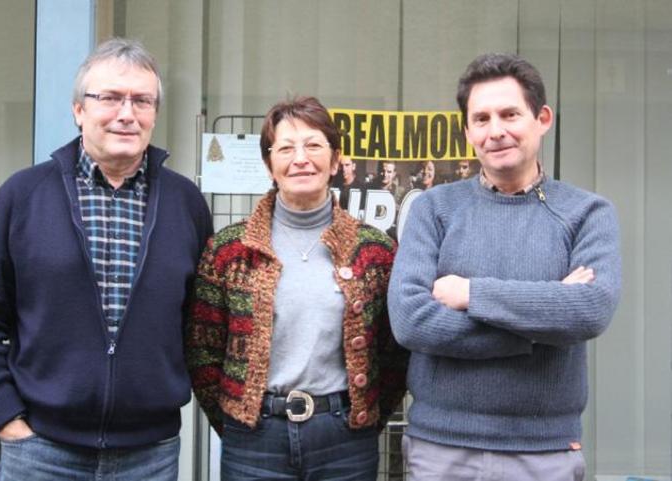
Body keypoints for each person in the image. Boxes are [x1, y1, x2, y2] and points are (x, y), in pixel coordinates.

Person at [0, 38, 212, 481]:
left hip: (149, 455)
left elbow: (202, 322)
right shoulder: (23, 196)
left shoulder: (185, 203)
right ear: (79, 110)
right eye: (110, 98)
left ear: (154, 114)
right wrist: (4, 416)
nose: (126, 113)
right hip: (40, 451)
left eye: (141, 101)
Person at [388, 53, 621, 481]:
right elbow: (410, 320)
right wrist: (536, 327)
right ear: (468, 131)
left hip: (544, 451)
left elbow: (589, 308)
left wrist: (471, 293)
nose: (496, 131)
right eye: (481, 118)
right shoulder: (433, 210)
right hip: (440, 447)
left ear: (542, 118)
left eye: (510, 114)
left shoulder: (587, 213)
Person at [186, 96, 408, 480]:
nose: (300, 158)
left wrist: (364, 414)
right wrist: (239, 417)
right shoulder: (228, 250)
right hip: (254, 442)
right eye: (285, 148)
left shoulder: (376, 251)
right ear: (269, 165)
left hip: (345, 441)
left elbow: (395, 351)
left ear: (336, 161)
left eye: (314, 145)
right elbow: (201, 350)